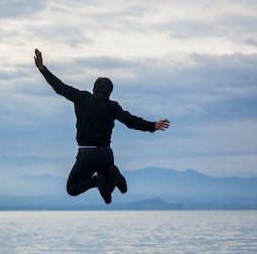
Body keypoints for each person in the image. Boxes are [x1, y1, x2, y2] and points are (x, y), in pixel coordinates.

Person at [34, 48, 170, 204]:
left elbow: (60, 87)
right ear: (109, 93)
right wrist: (152, 126)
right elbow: (130, 121)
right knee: (108, 185)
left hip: (86, 154)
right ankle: (111, 174)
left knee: (72, 188)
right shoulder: (112, 106)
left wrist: (43, 69)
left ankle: (95, 181)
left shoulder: (82, 98)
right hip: (105, 154)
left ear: (93, 89)